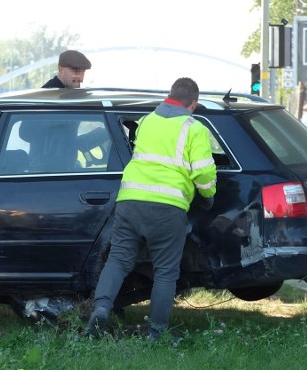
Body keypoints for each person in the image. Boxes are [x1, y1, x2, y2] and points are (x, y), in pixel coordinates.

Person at [85, 77, 217, 343]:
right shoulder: (194, 128)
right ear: (194, 104)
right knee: (165, 271)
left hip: (130, 201)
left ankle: (100, 309)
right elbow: (203, 172)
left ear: (169, 97)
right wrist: (208, 196)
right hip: (167, 208)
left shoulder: (146, 121)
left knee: (119, 259)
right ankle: (156, 331)